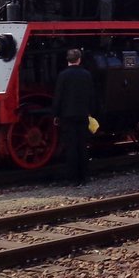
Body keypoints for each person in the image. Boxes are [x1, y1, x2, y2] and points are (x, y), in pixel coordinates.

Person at [51, 48, 96, 185]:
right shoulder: (86, 74)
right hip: (82, 114)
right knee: (82, 146)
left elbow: (58, 96)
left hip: (67, 115)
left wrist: (56, 114)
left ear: (68, 60)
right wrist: (91, 112)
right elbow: (91, 95)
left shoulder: (63, 75)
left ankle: (73, 179)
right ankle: (85, 177)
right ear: (79, 59)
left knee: (71, 147)